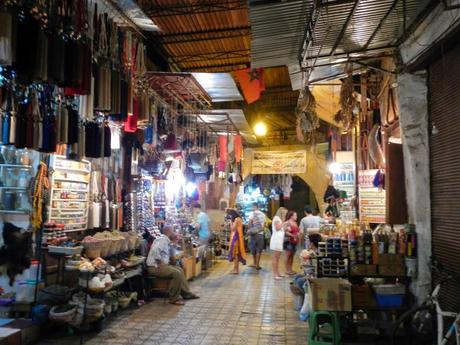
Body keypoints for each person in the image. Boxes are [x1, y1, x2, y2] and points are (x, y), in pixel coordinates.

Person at [146, 225, 199, 305]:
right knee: (176, 273)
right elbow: (155, 251)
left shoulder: (167, 241)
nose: (175, 233)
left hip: (161, 265)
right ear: (169, 232)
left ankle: (186, 294)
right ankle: (173, 298)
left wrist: (174, 244)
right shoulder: (162, 240)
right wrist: (160, 262)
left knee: (180, 270)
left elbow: (171, 257)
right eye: (173, 231)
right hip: (155, 267)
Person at [270, 207, 288, 280]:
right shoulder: (276, 218)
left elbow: (283, 229)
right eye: (284, 213)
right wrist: (284, 222)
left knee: (278, 258)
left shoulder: (280, 219)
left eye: (286, 213)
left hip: (279, 240)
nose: (285, 214)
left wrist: (285, 224)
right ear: (281, 212)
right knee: (275, 258)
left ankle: (278, 273)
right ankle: (275, 274)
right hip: (276, 240)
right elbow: (277, 228)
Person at [227, 209, 246, 274]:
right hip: (238, 237)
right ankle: (235, 269)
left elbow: (232, 228)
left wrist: (230, 222)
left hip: (236, 238)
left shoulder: (236, 219)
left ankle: (236, 270)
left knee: (235, 254)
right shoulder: (239, 219)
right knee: (236, 254)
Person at [247, 203, 266, 270]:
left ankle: (254, 263)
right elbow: (264, 225)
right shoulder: (263, 214)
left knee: (253, 249)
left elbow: (249, 223)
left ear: (255, 206)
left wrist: (249, 230)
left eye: (252, 207)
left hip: (253, 234)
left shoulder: (252, 213)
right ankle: (257, 265)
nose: (251, 208)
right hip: (260, 234)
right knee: (259, 250)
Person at [284, 210, 300, 275]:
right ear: (291, 216)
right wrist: (292, 235)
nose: (296, 217)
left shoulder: (295, 223)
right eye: (295, 215)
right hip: (289, 241)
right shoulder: (288, 223)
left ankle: (290, 269)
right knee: (288, 256)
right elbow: (285, 231)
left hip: (294, 241)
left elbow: (297, 231)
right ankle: (287, 270)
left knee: (292, 256)